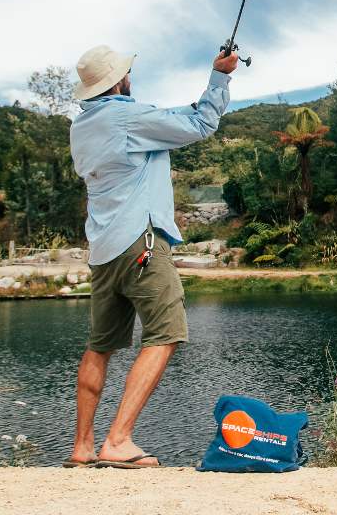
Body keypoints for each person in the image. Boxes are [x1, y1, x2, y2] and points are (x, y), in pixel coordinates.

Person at [64, 44, 238, 468]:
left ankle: (82, 448)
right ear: (120, 80)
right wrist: (220, 76)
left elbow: (162, 121)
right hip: (141, 242)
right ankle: (118, 441)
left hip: (102, 253)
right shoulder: (126, 116)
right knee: (167, 332)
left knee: (99, 347)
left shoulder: (81, 128)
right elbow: (200, 124)